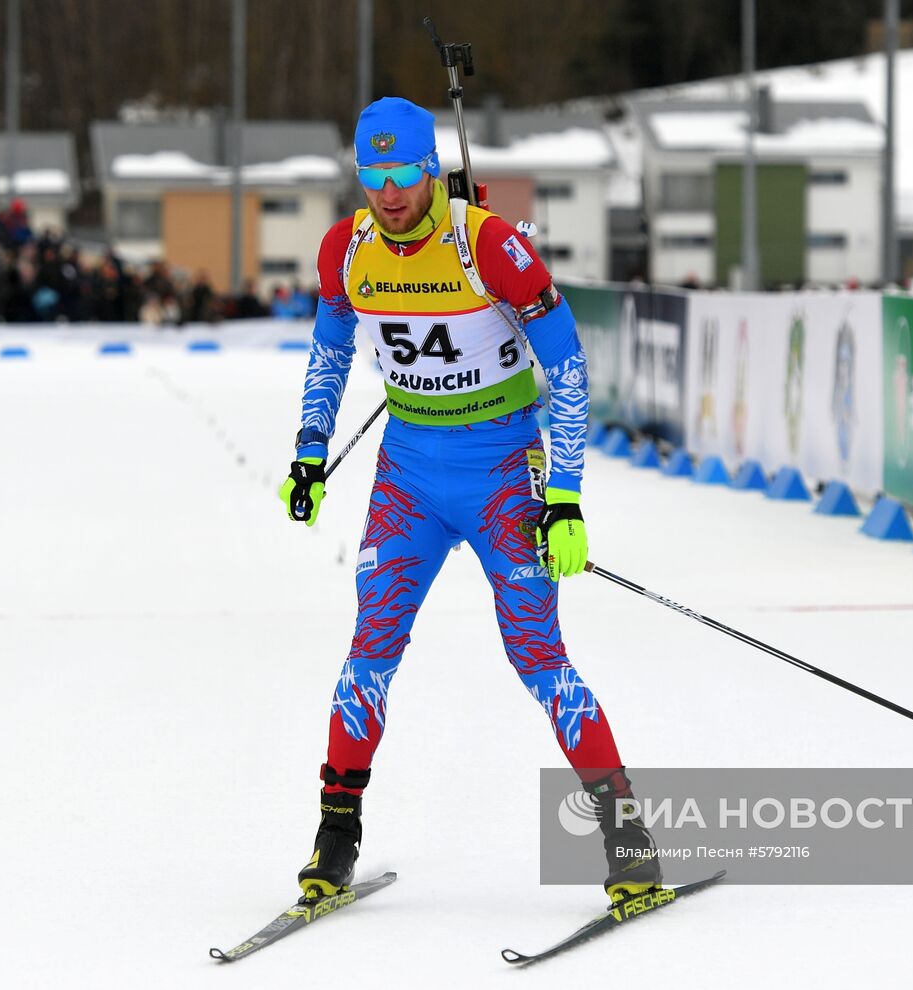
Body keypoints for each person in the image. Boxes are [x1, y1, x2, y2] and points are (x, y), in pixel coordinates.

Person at [279, 97, 661, 905]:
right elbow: (329, 350)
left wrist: (564, 499)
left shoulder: (487, 243)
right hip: (407, 475)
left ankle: (627, 837)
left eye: (403, 173)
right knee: (368, 652)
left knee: (538, 657)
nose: (387, 192)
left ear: (430, 169)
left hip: (498, 473)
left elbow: (568, 369)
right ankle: (334, 839)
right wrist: (310, 453)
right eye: (371, 174)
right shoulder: (345, 251)